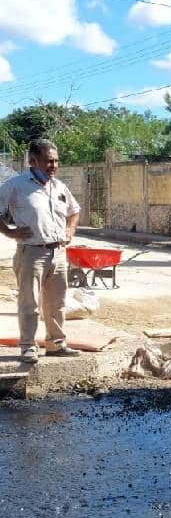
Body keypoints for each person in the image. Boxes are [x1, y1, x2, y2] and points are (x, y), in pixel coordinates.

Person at [0, 139, 81, 363]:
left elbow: (74, 210)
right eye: (48, 161)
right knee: (29, 303)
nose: (53, 166)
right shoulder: (16, 185)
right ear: (33, 161)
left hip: (58, 253)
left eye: (56, 161)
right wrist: (10, 232)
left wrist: (70, 229)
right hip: (31, 253)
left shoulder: (59, 186)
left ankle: (56, 344)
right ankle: (28, 346)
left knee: (57, 303)